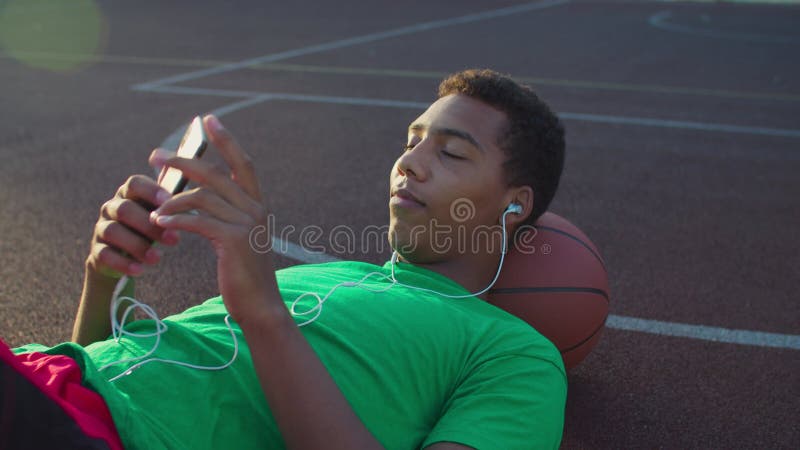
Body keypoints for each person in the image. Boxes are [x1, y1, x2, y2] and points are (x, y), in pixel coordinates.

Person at [5, 69, 567, 449]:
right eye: (410, 142)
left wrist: (264, 315)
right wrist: (104, 279)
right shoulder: (330, 274)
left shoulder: (513, 354)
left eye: (449, 152)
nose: (410, 164)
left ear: (514, 202)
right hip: (46, 375)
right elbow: (101, 363)